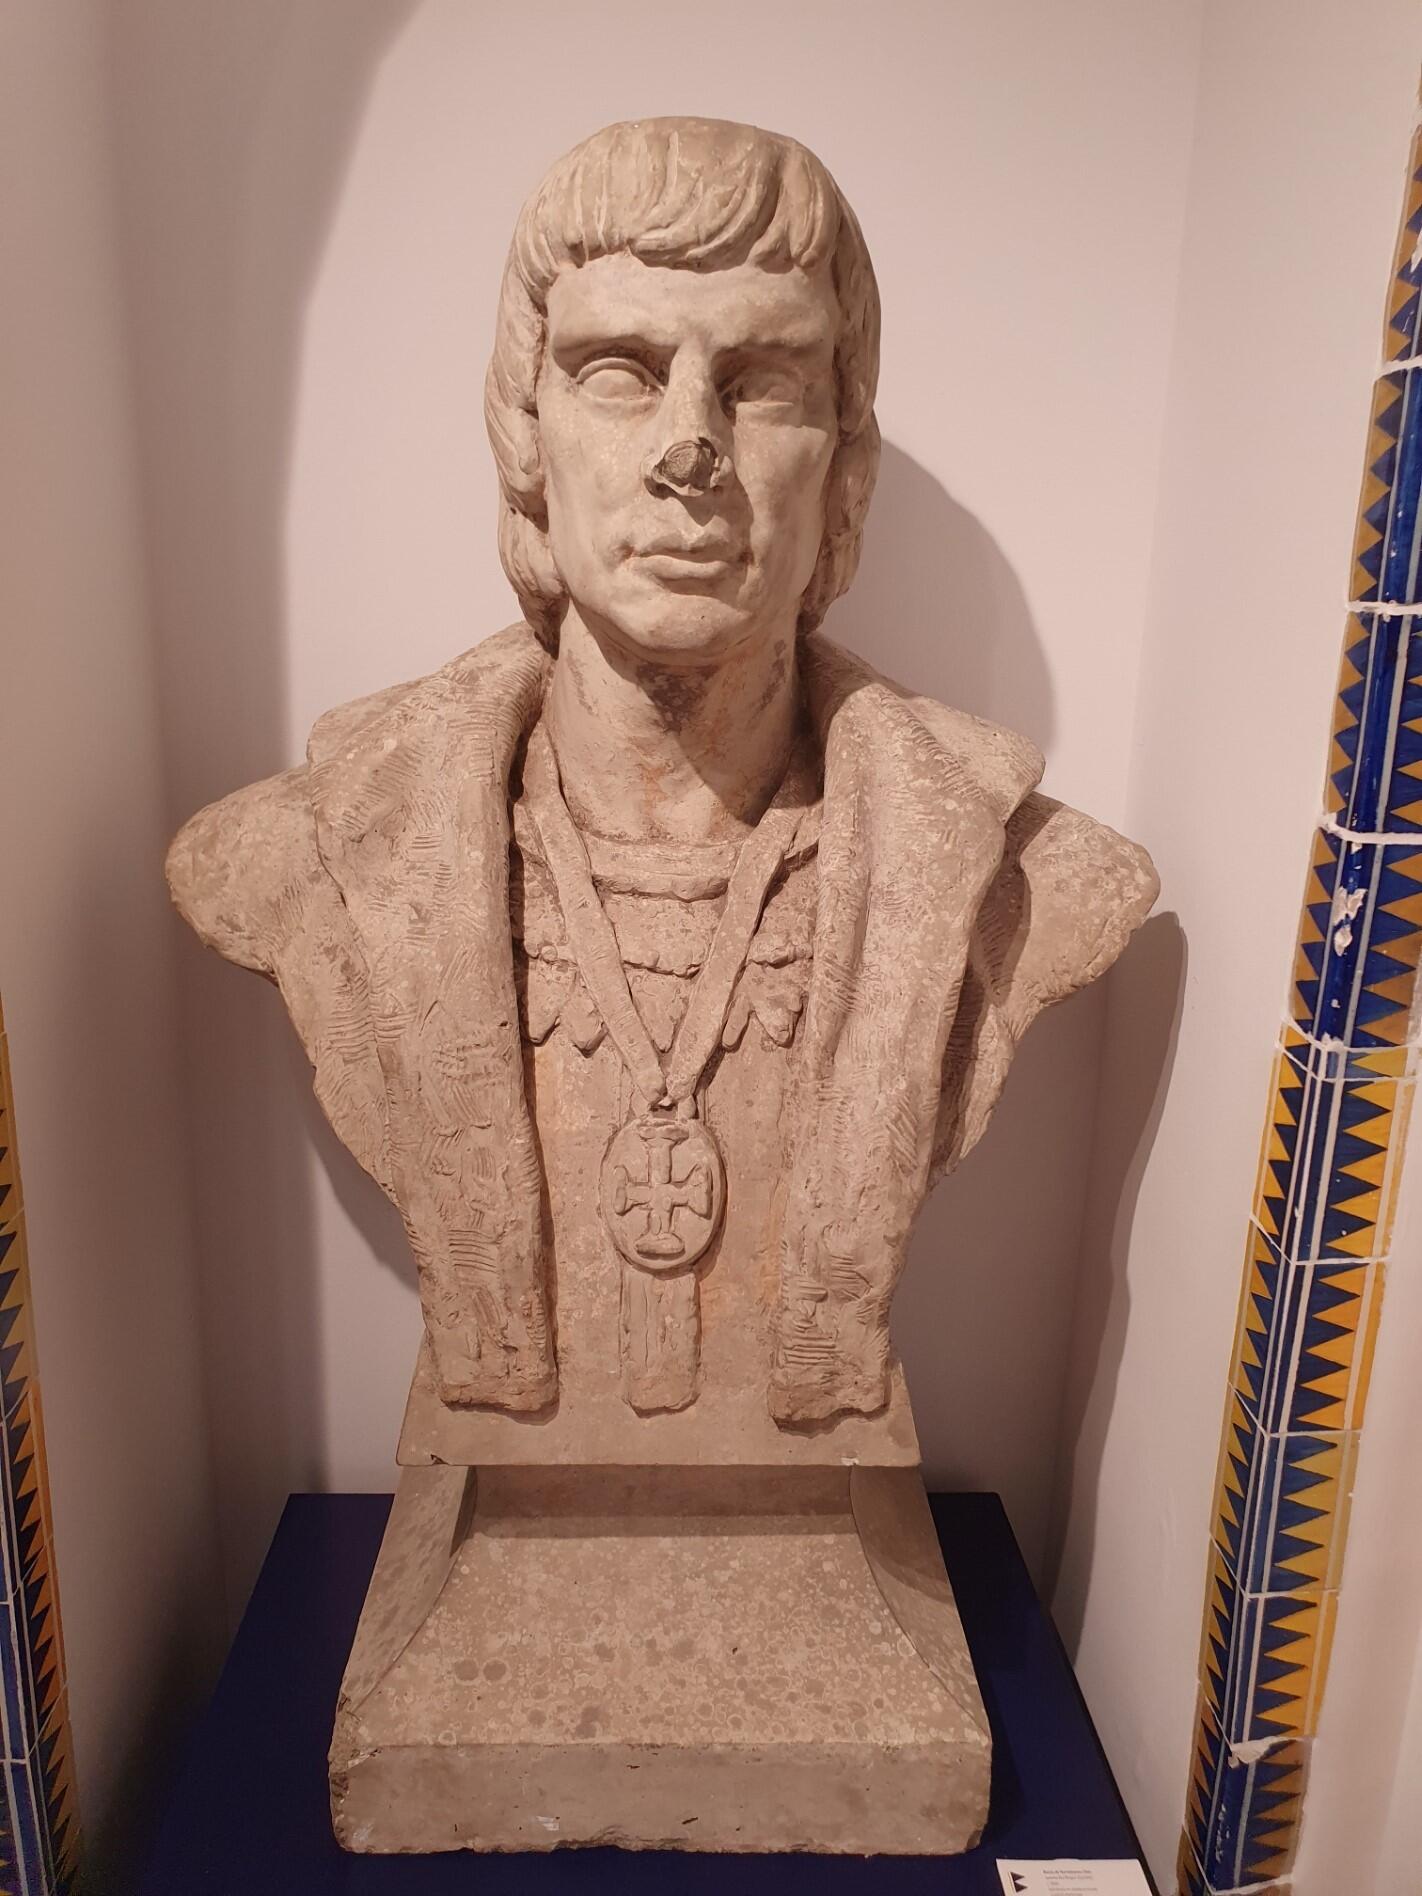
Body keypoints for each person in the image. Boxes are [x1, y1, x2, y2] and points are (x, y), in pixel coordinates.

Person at [168, 118, 1157, 1450]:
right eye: (619, 373)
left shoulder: (1028, 886)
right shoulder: (304, 861)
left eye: (757, 385)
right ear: (525, 439)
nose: (688, 448)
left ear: (841, 466)